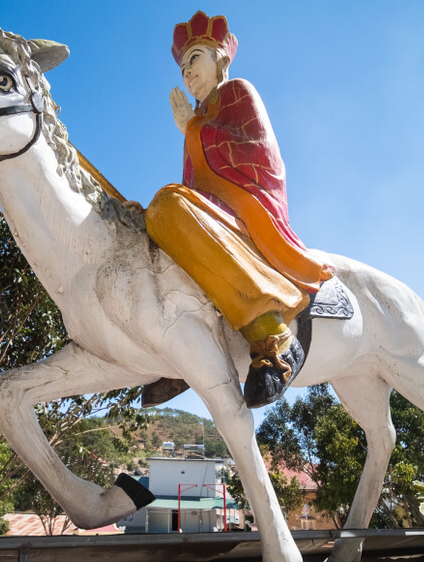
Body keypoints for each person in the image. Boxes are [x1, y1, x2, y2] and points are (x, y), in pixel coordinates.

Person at [138, 10, 332, 409]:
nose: (186, 71)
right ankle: (184, 350)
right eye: (182, 65)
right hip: (212, 214)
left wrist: (192, 128)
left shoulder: (238, 92)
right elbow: (193, 186)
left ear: (221, 59)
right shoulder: (198, 117)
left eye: (194, 58)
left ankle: (275, 339)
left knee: (167, 205)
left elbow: (260, 155)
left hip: (249, 207)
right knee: (158, 218)